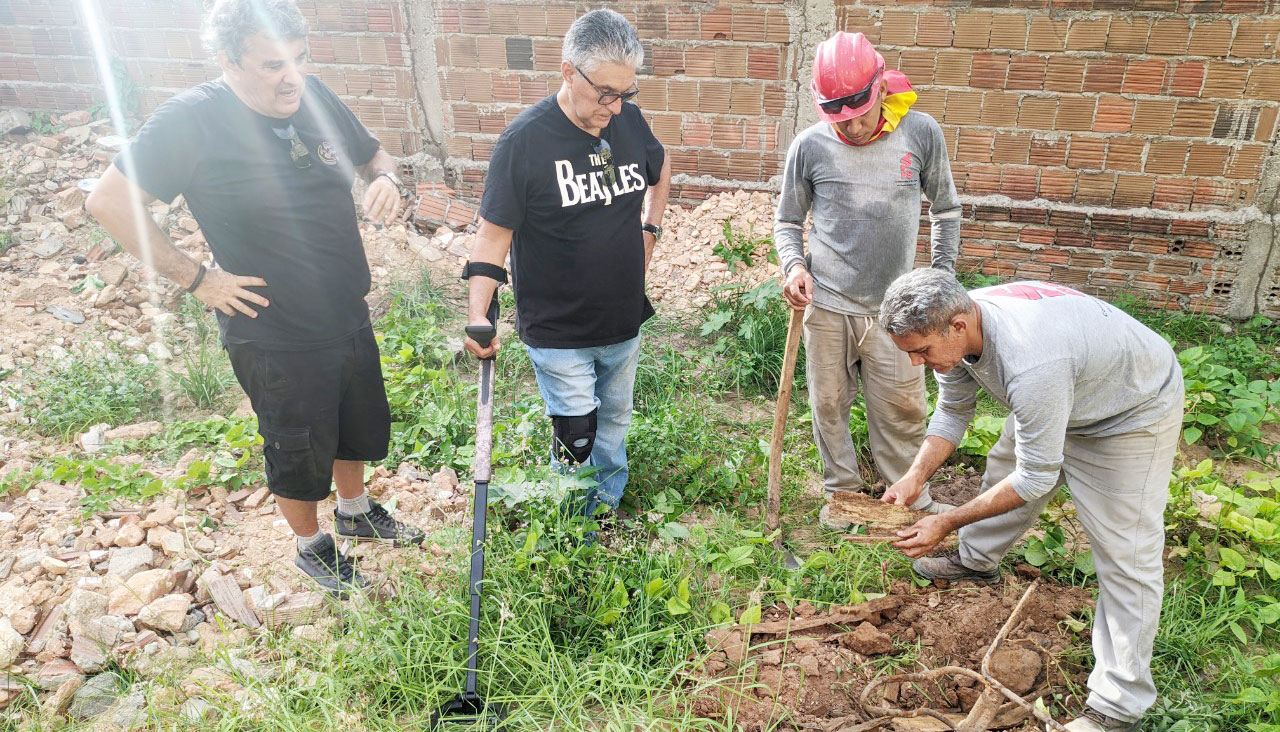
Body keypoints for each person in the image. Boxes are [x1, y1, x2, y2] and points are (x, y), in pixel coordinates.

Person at [85, 0, 424, 597]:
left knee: (354, 421)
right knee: (297, 440)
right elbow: (108, 203)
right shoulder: (191, 121)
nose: (292, 76)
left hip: (345, 307)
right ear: (229, 62)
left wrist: (386, 180)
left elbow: (375, 154)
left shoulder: (314, 96)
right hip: (272, 326)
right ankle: (312, 546)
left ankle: (355, 511)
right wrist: (197, 278)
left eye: (299, 58)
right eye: (273, 65)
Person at [877, 269, 1184, 732]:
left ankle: (1118, 705)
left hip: (1129, 410)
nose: (918, 362)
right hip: (1068, 388)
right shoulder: (957, 326)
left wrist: (947, 521)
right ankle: (976, 560)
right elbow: (954, 409)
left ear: (957, 326)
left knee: (1128, 552)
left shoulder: (1030, 361)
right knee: (1004, 466)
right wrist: (914, 478)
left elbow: (1035, 478)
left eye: (922, 351)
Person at [461, 8, 671, 520]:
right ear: (567, 71)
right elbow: (492, 236)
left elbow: (659, 167)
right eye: (605, 93)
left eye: (626, 94)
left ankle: (606, 508)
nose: (616, 108)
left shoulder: (627, 120)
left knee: (615, 420)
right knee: (577, 432)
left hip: (622, 318)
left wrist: (651, 228)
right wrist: (477, 314)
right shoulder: (525, 142)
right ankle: (573, 526)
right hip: (558, 326)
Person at [772, 31, 961, 529]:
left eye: (859, 110)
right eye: (838, 115)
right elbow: (788, 221)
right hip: (828, 303)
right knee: (829, 403)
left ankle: (909, 497)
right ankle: (842, 495)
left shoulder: (920, 133)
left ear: (879, 87)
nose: (852, 125)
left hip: (896, 311)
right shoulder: (809, 147)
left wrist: (941, 279)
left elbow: (947, 210)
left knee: (901, 408)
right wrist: (794, 266)